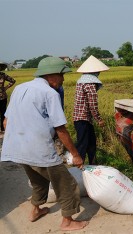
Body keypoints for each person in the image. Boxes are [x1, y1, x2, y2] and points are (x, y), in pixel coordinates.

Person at [0, 57, 88, 231]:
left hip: (18, 148)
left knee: (38, 180)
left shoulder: (20, 88)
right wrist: (76, 155)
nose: (63, 79)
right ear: (51, 75)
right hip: (39, 149)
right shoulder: (50, 93)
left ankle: (35, 210)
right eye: (61, 75)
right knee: (67, 184)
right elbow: (60, 129)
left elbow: (5, 122)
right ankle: (68, 221)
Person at [73, 55, 108, 165]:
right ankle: (80, 169)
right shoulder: (89, 84)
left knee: (91, 143)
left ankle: (92, 166)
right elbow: (92, 104)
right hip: (83, 118)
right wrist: (99, 119)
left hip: (82, 118)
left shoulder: (81, 81)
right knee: (83, 145)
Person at [0, 61, 16, 133]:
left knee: (3, 113)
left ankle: (3, 129)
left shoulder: (3, 75)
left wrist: (6, 88)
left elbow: (12, 81)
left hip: (3, 97)